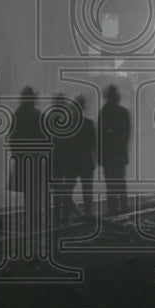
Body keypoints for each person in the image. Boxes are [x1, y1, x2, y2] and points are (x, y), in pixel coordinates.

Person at [8, 86, 44, 221]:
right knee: (37, 186)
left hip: (22, 156)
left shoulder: (17, 114)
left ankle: (30, 213)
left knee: (27, 187)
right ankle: (37, 213)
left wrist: (16, 153)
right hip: (37, 156)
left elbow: (12, 136)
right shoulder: (38, 114)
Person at [99, 84, 131, 216]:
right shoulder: (123, 112)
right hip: (119, 154)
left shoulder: (104, 112)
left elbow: (100, 136)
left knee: (111, 183)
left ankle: (113, 209)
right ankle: (124, 206)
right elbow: (126, 135)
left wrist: (101, 156)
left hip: (108, 155)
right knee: (121, 181)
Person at [49, 94, 81, 226]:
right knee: (67, 190)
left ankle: (57, 218)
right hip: (68, 160)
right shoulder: (70, 118)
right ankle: (65, 218)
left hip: (55, 160)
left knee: (57, 192)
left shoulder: (50, 118)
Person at [70, 94, 97, 220]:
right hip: (86, 160)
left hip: (73, 161)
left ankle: (73, 212)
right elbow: (93, 142)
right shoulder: (89, 123)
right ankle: (88, 212)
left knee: (68, 188)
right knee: (87, 189)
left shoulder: (69, 125)